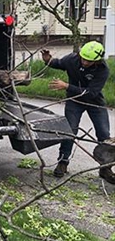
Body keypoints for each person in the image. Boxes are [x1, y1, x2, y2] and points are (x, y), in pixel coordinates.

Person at [41, 41, 113, 183]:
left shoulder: (103, 69)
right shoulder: (72, 59)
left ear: (97, 61)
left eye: (89, 61)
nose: (85, 62)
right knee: (70, 131)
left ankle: (105, 168)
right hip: (74, 102)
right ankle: (63, 162)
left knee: (104, 135)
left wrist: (66, 86)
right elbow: (58, 63)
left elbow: (91, 93)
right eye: (83, 58)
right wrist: (48, 60)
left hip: (95, 103)